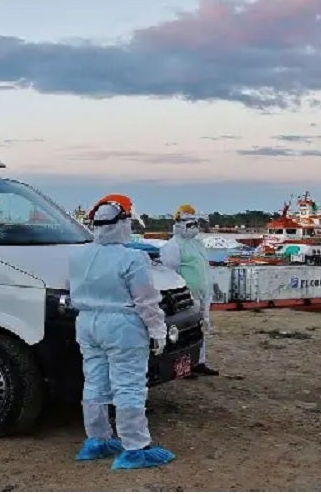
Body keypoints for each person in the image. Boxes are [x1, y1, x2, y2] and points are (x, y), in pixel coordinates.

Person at [69, 194, 175, 470]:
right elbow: (146, 300)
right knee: (128, 387)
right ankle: (135, 447)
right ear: (121, 223)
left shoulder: (79, 255)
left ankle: (97, 439)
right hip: (122, 326)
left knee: (94, 383)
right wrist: (157, 330)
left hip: (87, 323)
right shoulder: (133, 257)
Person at [160, 203, 219, 377]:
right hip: (187, 296)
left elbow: (203, 267)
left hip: (203, 293)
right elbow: (170, 273)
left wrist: (212, 286)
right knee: (186, 331)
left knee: (202, 327)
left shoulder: (198, 244)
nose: (193, 226)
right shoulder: (172, 246)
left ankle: (199, 361)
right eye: (189, 222)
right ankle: (183, 365)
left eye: (195, 222)